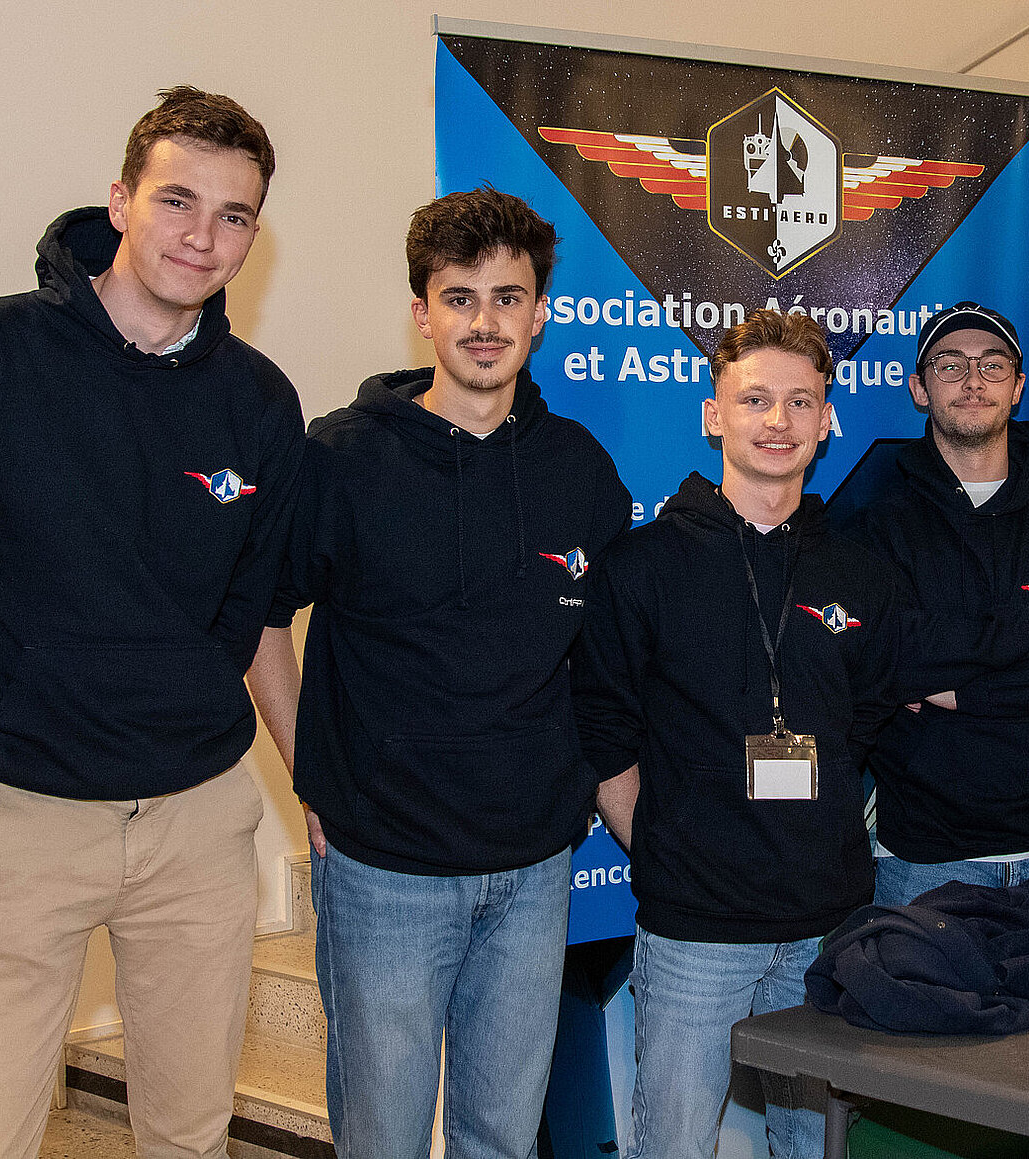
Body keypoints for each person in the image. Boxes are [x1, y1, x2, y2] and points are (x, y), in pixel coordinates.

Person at [0, 87, 301, 1159]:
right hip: (25, 811)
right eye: (177, 200)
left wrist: (212, 717)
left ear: (253, 235)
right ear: (119, 201)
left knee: (189, 1130)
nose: (202, 236)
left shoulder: (258, 400)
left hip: (196, 820)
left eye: (234, 216)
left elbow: (252, 606)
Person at [245, 189, 631, 1158]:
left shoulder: (580, 471)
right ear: (422, 313)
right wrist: (310, 773)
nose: (484, 323)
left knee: (500, 1135)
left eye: (508, 298)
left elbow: (605, 661)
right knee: (381, 1134)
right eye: (460, 298)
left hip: (534, 870)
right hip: (384, 869)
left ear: (541, 313)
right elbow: (258, 621)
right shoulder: (342, 458)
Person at [573, 310, 898, 1159]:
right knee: (673, 1144)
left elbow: (866, 722)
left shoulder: (859, 570)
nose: (778, 420)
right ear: (714, 414)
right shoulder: (643, 565)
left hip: (827, 923)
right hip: (694, 931)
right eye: (755, 399)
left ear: (827, 420)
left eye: (800, 401)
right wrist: (667, 848)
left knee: (814, 1145)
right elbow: (603, 733)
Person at [847, 302, 1029, 915]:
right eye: (950, 365)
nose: (973, 380)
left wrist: (964, 691)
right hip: (922, 859)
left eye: (992, 365)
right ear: (920, 389)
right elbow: (887, 655)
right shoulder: (875, 524)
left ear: (1018, 387)